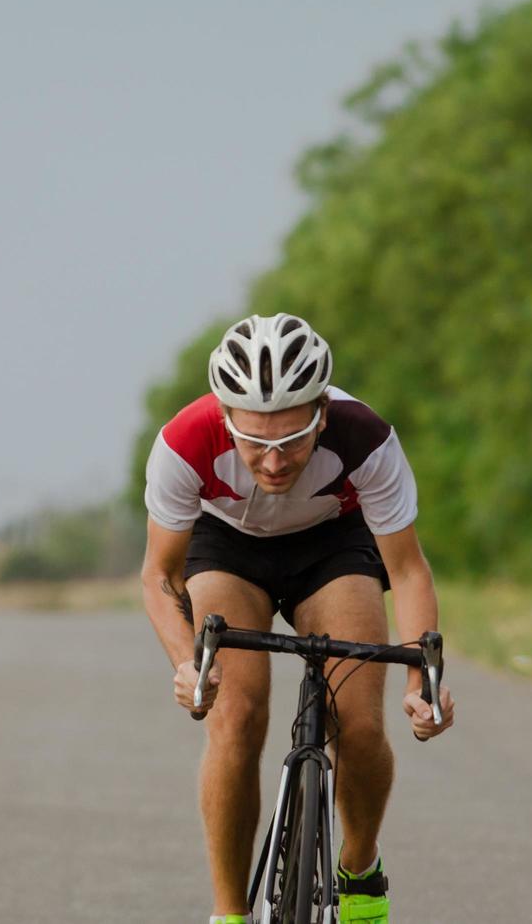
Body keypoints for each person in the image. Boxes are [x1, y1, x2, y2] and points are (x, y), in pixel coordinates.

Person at [140, 312, 456, 924]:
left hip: (331, 546)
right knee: (234, 714)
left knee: (359, 724)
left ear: (321, 414)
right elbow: (159, 576)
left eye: (291, 439)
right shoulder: (184, 442)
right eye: (254, 440)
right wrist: (188, 664)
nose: (275, 460)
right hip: (228, 546)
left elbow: (410, 571)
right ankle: (230, 913)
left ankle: (360, 871)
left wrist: (424, 686)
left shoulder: (365, 437)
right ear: (226, 418)